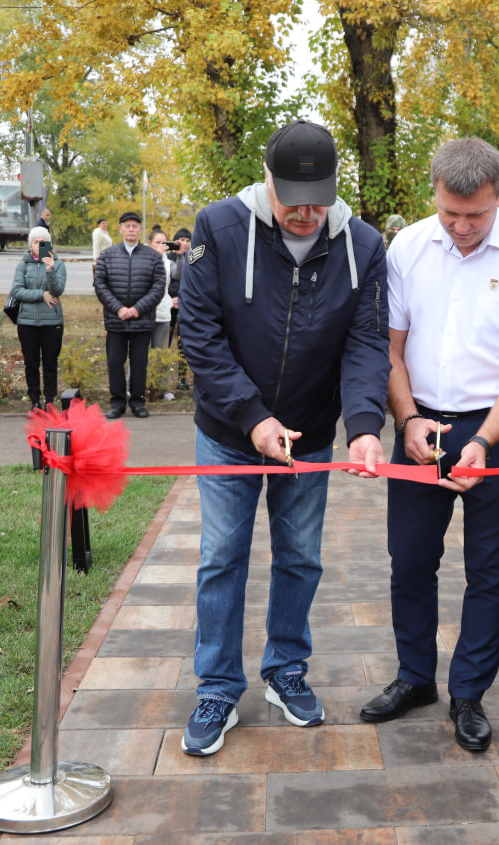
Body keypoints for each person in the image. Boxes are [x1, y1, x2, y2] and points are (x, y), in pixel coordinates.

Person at [176, 119, 389, 756]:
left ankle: (285, 668)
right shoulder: (218, 228)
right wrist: (251, 417)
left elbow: (367, 343)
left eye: (318, 201)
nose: (305, 214)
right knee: (222, 558)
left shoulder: (363, 245)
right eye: (293, 199)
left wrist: (366, 428)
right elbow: (201, 336)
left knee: (300, 557)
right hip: (228, 431)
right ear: (267, 180)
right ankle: (217, 685)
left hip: (312, 433)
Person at [360, 138, 499, 753]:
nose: (461, 227)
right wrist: (407, 418)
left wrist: (481, 439)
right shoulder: (408, 246)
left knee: (490, 569)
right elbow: (390, 348)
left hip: (497, 426)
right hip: (419, 420)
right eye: (450, 212)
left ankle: (469, 691)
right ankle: (414, 676)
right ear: (435, 195)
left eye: (475, 215)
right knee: (410, 559)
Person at [93, 211, 165, 419]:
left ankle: (137, 402)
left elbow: (158, 287)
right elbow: (100, 284)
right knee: (115, 362)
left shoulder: (153, 257)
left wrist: (137, 309)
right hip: (116, 320)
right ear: (120, 228)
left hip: (141, 321)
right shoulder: (108, 255)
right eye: (127, 226)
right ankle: (117, 403)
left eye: (135, 226)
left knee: (139, 363)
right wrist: (119, 309)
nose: (131, 229)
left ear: (140, 229)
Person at [11, 226, 66, 410]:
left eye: (43, 242)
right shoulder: (23, 265)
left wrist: (50, 270)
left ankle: (50, 401)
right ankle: (35, 401)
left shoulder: (58, 264)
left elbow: (58, 290)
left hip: (52, 322)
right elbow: (17, 291)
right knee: (31, 364)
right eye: (35, 242)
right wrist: (41, 295)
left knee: (50, 363)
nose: (38, 245)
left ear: (49, 244)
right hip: (27, 322)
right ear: (30, 244)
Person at [166, 228, 192, 393]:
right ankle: (160, 378)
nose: (184, 243)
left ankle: (182, 378)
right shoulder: (167, 258)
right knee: (165, 342)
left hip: (186, 305)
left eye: (188, 240)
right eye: (181, 240)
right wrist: (171, 300)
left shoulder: (195, 259)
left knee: (184, 344)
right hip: (168, 305)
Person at [146, 228, 174, 350]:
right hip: (144, 314)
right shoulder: (142, 260)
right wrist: (157, 255)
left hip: (163, 311)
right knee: (140, 355)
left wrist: (180, 255)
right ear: (150, 243)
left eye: (164, 243)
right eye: (157, 242)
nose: (161, 246)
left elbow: (177, 276)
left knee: (161, 355)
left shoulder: (168, 262)